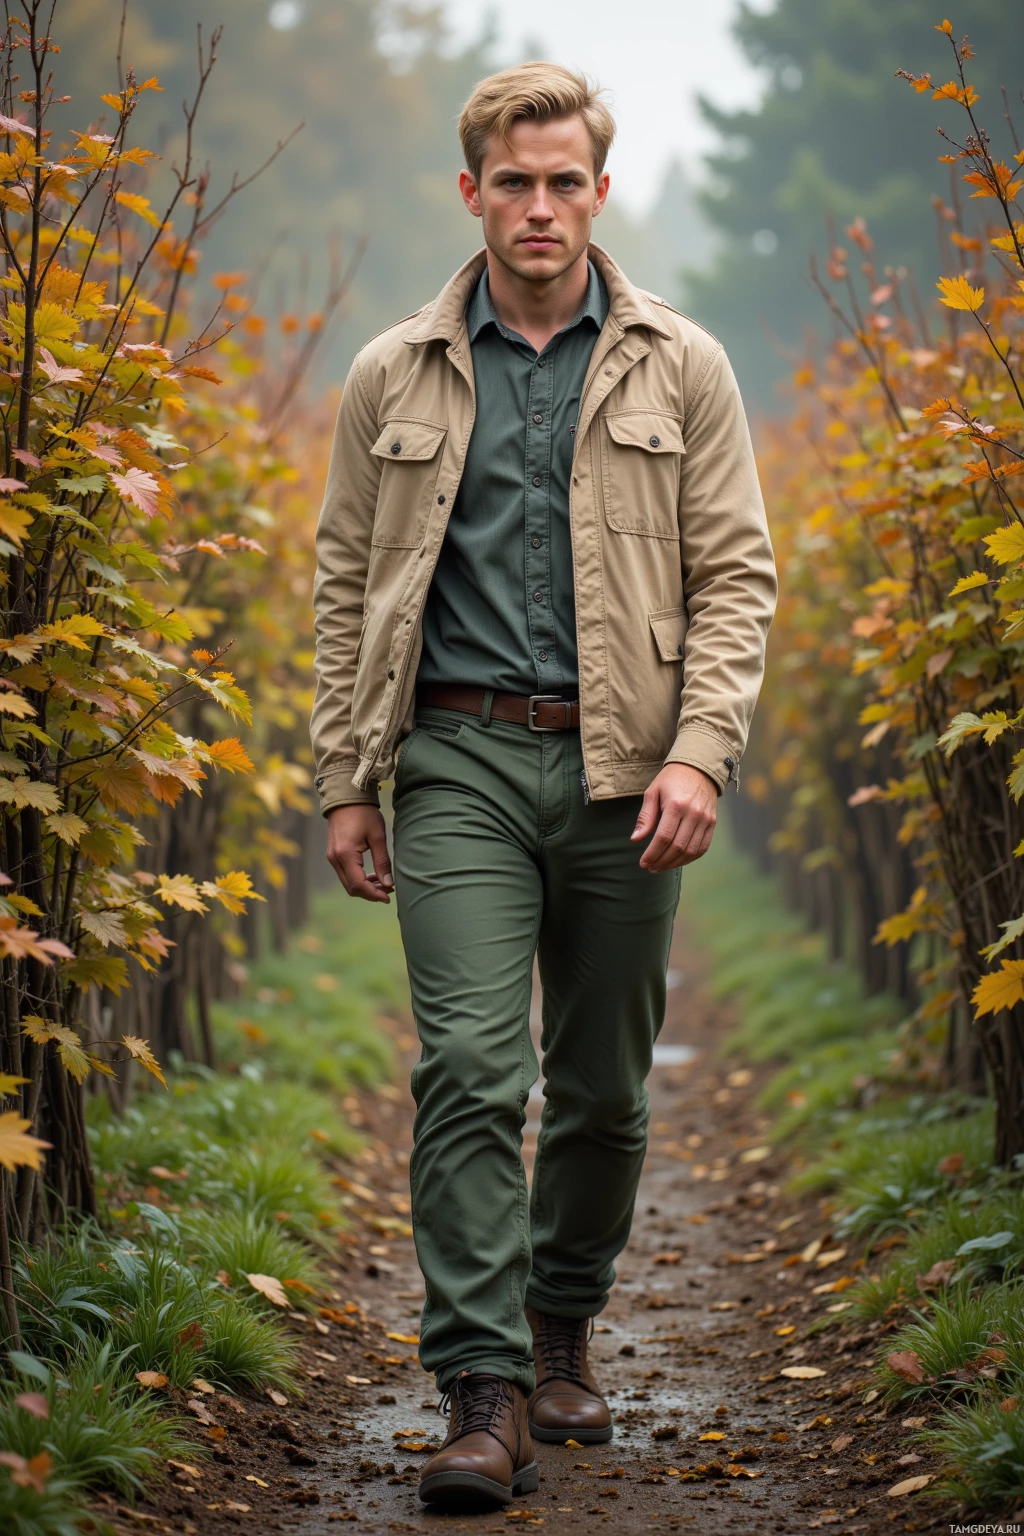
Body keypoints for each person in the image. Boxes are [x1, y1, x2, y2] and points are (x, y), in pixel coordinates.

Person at [311, 60, 777, 1510]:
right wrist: (347, 778)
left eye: (563, 179)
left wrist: (702, 753)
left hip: (627, 772)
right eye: (512, 181)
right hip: (454, 758)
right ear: (472, 193)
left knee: (600, 1090)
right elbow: (341, 583)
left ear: (599, 189)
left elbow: (736, 578)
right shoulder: (394, 371)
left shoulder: (682, 366)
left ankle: (561, 1315)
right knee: (469, 1065)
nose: (539, 205)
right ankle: (482, 1389)